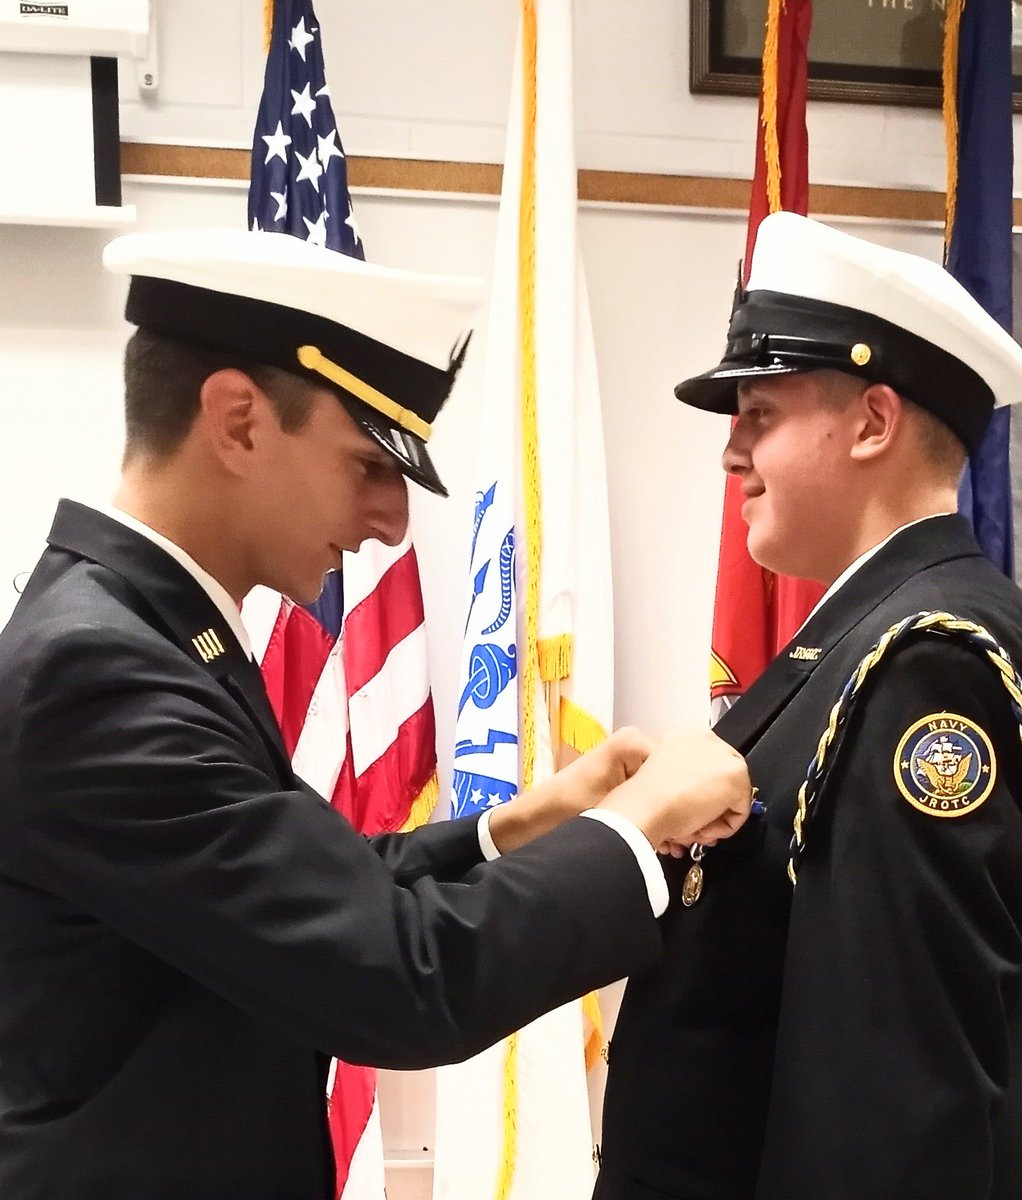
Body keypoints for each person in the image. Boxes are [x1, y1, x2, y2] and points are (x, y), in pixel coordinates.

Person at [0, 228, 752, 1200]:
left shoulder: (146, 631)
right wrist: (635, 824)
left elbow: (298, 895)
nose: (391, 522)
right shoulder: (98, 672)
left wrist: (521, 825)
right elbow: (398, 977)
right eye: (368, 465)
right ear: (236, 422)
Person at [594, 212, 1022, 1200]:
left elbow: (895, 1092)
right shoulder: (858, 642)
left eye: (758, 415)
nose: (727, 453)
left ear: (872, 422)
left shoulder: (925, 665)